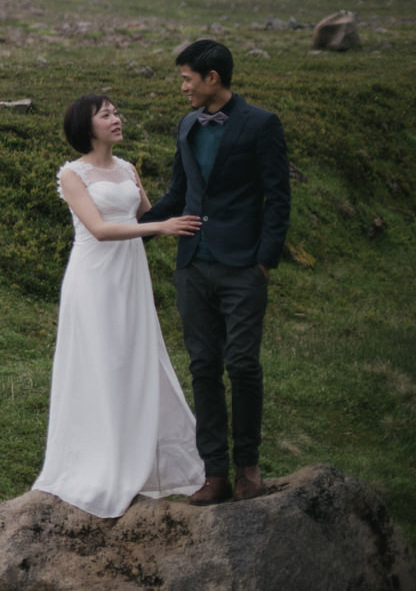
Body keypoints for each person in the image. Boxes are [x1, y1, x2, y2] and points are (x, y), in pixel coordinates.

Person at [31, 93, 205, 518]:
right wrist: (160, 226)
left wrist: (180, 206)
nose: (116, 118)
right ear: (85, 126)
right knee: (103, 362)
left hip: (131, 276)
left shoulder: (128, 168)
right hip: (94, 278)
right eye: (105, 114)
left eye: (115, 112)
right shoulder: (72, 174)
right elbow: (99, 228)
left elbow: (149, 213)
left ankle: (140, 458)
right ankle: (99, 461)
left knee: (133, 359)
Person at [138, 38, 290, 504]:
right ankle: (214, 474)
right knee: (203, 367)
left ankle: (248, 466)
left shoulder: (261, 124)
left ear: (212, 78)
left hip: (243, 266)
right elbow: (178, 193)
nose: (182, 88)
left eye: (186, 79)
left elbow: (277, 197)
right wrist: (127, 233)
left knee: (242, 365)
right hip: (192, 266)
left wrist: (263, 261)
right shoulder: (186, 125)